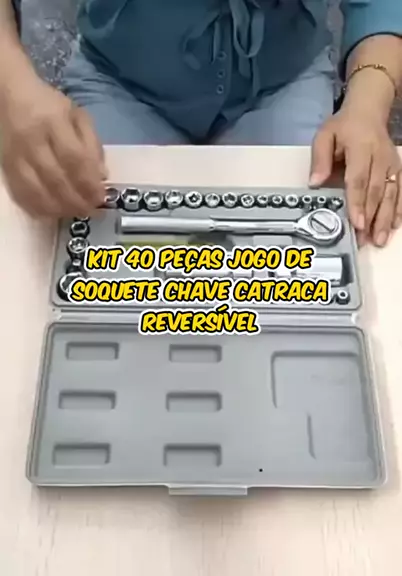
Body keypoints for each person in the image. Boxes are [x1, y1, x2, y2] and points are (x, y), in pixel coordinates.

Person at [0, 1, 401, 247]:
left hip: (282, 83)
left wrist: (366, 105)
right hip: (121, 82)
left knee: (313, 256)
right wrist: (13, 91)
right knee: (94, 261)